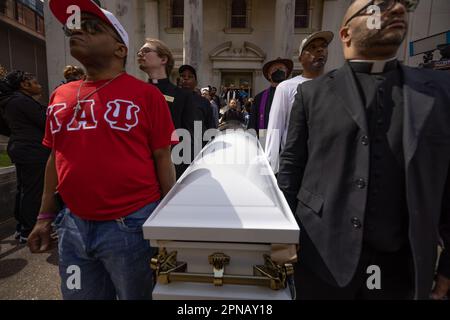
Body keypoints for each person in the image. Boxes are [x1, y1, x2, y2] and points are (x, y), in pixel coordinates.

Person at [278, 0, 450, 300]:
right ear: (346, 33)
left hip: (400, 264)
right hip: (322, 258)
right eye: (379, 5)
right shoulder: (311, 93)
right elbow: (292, 167)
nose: (396, 9)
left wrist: (448, 263)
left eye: (402, 5)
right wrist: (282, 236)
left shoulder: (438, 90)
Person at [28, 0, 177, 300]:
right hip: (72, 225)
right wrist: (45, 215)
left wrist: (169, 221)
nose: (78, 32)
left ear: (120, 49)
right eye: (75, 28)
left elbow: (163, 157)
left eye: (93, 29)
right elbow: (55, 157)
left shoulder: (148, 96)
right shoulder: (60, 94)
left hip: (132, 225)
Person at [265, 31, 333, 174]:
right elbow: (275, 129)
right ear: (301, 58)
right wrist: (272, 171)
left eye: (323, 46)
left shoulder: (336, 85)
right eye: (312, 47)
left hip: (328, 167)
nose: (319, 50)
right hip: (297, 168)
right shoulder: (286, 88)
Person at [0, 70, 50, 244]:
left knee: (24, 189)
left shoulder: (9, 102)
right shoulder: (21, 102)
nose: (39, 85)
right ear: (24, 84)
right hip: (32, 150)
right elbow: (46, 122)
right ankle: (29, 230)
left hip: (20, 147)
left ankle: (22, 227)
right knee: (33, 191)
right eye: (35, 82)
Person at [137, 38, 197, 179]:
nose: (140, 54)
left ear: (163, 59)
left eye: (146, 51)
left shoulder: (183, 96)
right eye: (139, 51)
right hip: (141, 168)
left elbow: (188, 136)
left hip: (172, 167)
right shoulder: (135, 93)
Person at [249, 57, 293, 146]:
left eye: (281, 68)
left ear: (286, 73)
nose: (278, 71)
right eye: (275, 69)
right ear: (269, 75)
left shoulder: (293, 94)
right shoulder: (260, 97)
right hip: (265, 138)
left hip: (288, 140)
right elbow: (252, 123)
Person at [179, 64, 217, 143]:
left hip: (198, 148)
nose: (186, 78)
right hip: (175, 149)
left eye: (190, 76)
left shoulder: (204, 102)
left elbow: (211, 127)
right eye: (183, 76)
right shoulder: (173, 99)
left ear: (196, 82)